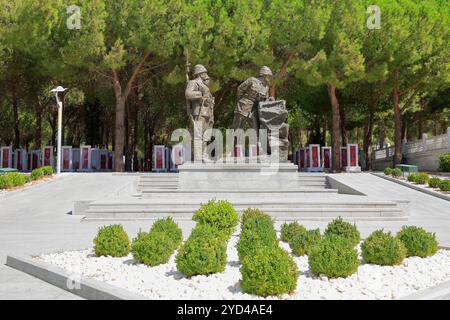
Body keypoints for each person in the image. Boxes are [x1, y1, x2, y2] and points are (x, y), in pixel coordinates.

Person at [185, 64, 215, 161]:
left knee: (206, 135)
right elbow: (188, 94)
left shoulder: (204, 85)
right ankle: (198, 156)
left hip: (207, 112)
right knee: (198, 135)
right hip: (198, 112)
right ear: (200, 73)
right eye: (204, 73)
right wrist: (200, 94)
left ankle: (204, 155)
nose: (206, 75)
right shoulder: (193, 82)